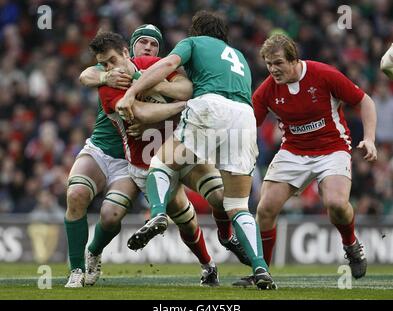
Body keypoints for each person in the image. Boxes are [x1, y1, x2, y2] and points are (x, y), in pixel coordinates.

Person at [117, 11, 276, 290]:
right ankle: (261, 268)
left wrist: (131, 94)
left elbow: (167, 64)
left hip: (210, 107)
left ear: (197, 31)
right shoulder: (238, 56)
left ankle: (157, 213)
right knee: (238, 205)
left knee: (162, 164)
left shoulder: (193, 43)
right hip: (244, 116)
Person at [64, 25, 218, 288]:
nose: (148, 47)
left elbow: (185, 89)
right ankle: (77, 269)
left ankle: (208, 265)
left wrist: (153, 85)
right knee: (76, 194)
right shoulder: (111, 75)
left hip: (148, 158)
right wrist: (105, 77)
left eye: (154, 44)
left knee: (169, 216)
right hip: (104, 150)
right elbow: (86, 74)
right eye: (143, 42)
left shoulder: (161, 71)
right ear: (129, 48)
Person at [234, 34, 377, 286]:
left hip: (332, 148)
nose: (273, 69)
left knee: (335, 204)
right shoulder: (267, 90)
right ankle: (261, 271)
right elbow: (248, 125)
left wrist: (370, 139)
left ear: (294, 59)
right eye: (268, 64)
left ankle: (351, 244)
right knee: (265, 208)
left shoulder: (324, 74)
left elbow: (364, 100)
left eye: (278, 63)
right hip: (293, 151)